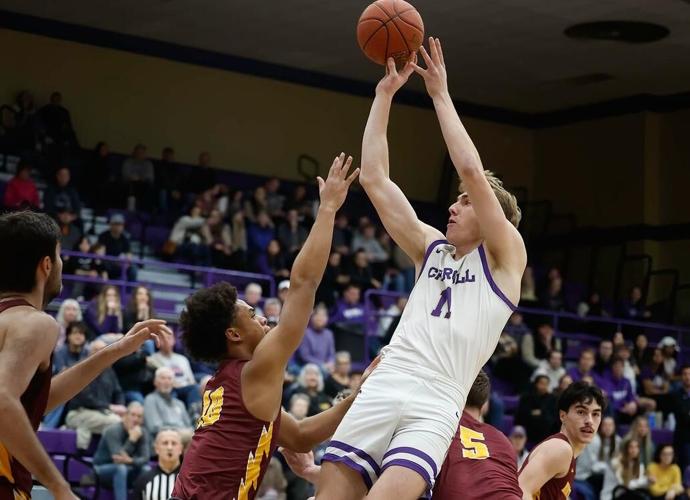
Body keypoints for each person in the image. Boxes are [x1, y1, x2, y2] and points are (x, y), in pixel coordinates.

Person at [318, 39, 526, 500]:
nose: (453, 206)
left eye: (465, 203)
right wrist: (384, 95)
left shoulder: (506, 258)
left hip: (439, 398)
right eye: (456, 200)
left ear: (492, 216)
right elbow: (375, 179)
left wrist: (440, 94)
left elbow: (472, 170)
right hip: (390, 377)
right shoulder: (431, 248)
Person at [171, 153, 373, 500]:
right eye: (251, 315)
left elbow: (300, 436)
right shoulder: (255, 370)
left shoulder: (230, 383)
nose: (263, 317)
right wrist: (327, 209)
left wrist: (361, 394)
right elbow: (303, 284)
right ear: (233, 334)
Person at [0, 210, 165, 500]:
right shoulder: (35, 322)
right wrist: (59, 486)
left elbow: (34, 403)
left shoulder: (7, 319)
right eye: (60, 256)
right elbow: (3, 401)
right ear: (47, 265)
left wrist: (114, 351)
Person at [284, 371, 523, 499]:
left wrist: (310, 471)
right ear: (485, 405)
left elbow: (381, 487)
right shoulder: (502, 439)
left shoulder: (432, 423)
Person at [518, 381, 606, 499]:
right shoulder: (560, 448)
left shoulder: (566, 451)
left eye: (595, 414)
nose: (589, 421)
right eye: (581, 412)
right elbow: (520, 491)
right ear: (563, 416)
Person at [93, 401, 151, 500]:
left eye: (139, 416)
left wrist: (131, 461)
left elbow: (145, 458)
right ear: (125, 416)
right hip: (102, 471)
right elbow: (117, 458)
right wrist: (132, 440)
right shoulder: (113, 430)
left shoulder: (143, 432)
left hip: (127, 470)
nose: (136, 419)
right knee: (120, 468)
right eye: (133, 415)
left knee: (146, 470)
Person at [143, 367, 194, 441]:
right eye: (163, 378)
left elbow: (189, 426)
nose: (166, 382)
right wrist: (179, 431)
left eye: (169, 379)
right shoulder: (150, 399)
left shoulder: (180, 403)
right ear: (155, 382)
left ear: (173, 383)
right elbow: (154, 427)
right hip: (164, 439)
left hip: (184, 439)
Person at [133, 428, 183, 500]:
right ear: (156, 448)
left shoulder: (190, 480)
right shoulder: (143, 480)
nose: (169, 447)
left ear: (180, 449)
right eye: (165, 443)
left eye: (174, 443)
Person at [516, 375, 558, 445]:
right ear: (536, 384)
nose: (543, 386)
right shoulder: (526, 397)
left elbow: (552, 415)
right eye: (541, 383)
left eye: (546, 384)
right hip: (529, 426)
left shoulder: (552, 399)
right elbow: (521, 414)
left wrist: (541, 413)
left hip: (545, 428)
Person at [98, 214, 137, 282]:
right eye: (116, 224)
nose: (118, 227)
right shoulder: (103, 236)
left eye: (120, 224)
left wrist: (126, 263)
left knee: (133, 269)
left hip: (119, 263)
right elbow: (100, 254)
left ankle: (130, 288)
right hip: (106, 262)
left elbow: (128, 254)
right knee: (101, 265)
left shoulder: (125, 238)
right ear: (111, 225)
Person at [297, 306, 336, 371]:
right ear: (312, 318)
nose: (320, 318)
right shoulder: (305, 333)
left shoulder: (329, 334)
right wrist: (322, 365)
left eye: (323, 316)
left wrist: (330, 363)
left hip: (326, 367)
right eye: (318, 315)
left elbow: (331, 354)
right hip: (308, 367)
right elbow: (305, 356)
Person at [671, 365, 690, 471]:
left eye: (689, 374)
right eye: (685, 374)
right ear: (681, 377)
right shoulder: (676, 395)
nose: (687, 377)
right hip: (683, 438)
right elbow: (683, 417)